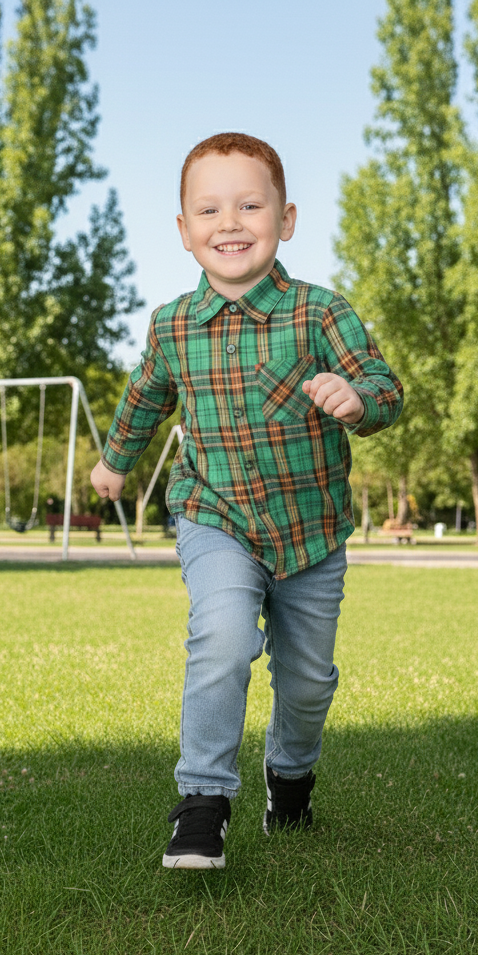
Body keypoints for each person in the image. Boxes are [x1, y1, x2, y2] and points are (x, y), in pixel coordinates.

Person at [91, 132, 403, 869]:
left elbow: (388, 390)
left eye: (249, 205)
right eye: (209, 209)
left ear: (285, 220)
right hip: (215, 517)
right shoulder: (171, 326)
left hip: (311, 534)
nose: (229, 222)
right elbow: (145, 398)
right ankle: (202, 802)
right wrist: (113, 462)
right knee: (223, 639)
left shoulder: (322, 314)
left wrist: (357, 398)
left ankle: (289, 780)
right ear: (184, 231)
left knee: (306, 683)